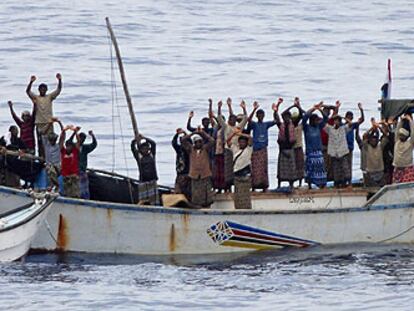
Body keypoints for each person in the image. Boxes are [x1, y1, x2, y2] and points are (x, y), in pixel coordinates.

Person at [26, 73, 62, 156]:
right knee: (40, 143)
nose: (43, 90)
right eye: (41, 89)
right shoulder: (36, 98)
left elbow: (58, 90)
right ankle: (41, 158)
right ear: (39, 90)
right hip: (39, 123)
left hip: (48, 122)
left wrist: (59, 80)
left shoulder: (49, 97)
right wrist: (31, 82)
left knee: (51, 141)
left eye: (44, 89)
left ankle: (51, 157)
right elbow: (28, 91)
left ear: (46, 90)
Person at [247, 99, 278, 191]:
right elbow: (248, 120)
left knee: (264, 169)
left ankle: (264, 187)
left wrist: (275, 110)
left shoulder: (266, 124)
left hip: (263, 150)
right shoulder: (254, 125)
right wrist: (254, 109)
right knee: (255, 169)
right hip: (256, 150)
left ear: (264, 116)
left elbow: (276, 121)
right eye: (259, 115)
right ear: (257, 116)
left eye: (262, 115)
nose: (260, 116)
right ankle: (254, 187)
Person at [217, 98, 248, 191]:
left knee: (237, 168)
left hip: (237, 150)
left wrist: (244, 108)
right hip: (228, 149)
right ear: (229, 120)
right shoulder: (226, 127)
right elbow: (219, 118)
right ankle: (228, 188)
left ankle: (236, 186)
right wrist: (219, 107)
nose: (232, 120)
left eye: (234, 119)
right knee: (227, 169)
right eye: (231, 119)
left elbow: (246, 118)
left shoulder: (238, 127)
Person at [182, 128, 215, 208]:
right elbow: (183, 140)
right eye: (196, 142)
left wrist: (202, 133)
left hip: (205, 174)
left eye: (200, 142)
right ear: (194, 143)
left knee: (207, 193)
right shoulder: (190, 149)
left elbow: (212, 141)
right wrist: (193, 133)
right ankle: (198, 207)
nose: (198, 144)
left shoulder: (205, 149)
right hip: (194, 175)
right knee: (196, 194)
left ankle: (207, 207)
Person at [302, 102, 329, 189]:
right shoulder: (306, 127)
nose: (317, 121)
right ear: (312, 120)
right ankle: (310, 185)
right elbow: (305, 117)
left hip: (318, 151)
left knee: (320, 169)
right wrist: (313, 108)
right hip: (310, 152)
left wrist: (320, 109)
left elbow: (326, 118)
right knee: (310, 169)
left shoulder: (318, 127)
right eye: (316, 120)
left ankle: (321, 184)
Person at [227, 129, 253, 209]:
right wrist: (233, 134)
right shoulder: (236, 149)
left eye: (243, 142)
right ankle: (238, 208)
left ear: (246, 143)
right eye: (240, 142)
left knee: (245, 195)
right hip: (237, 175)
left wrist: (240, 134)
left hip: (245, 175)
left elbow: (251, 138)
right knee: (237, 195)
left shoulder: (248, 149)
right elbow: (228, 141)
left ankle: (247, 209)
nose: (242, 143)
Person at [324, 114, 352, 188]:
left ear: (340, 121)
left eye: (337, 120)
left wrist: (344, 117)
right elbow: (323, 123)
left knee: (345, 168)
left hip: (343, 151)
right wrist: (331, 117)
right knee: (336, 169)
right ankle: (337, 184)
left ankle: (348, 183)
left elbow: (350, 124)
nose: (336, 122)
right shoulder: (330, 129)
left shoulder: (343, 128)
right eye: (335, 120)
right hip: (334, 152)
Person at [274, 101, 297, 189]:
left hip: (290, 149)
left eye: (288, 117)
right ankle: (279, 185)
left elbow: (301, 116)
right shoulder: (280, 125)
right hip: (283, 150)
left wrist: (295, 106)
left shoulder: (293, 125)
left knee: (291, 168)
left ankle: (291, 185)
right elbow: (276, 117)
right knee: (281, 169)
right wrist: (277, 107)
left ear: (290, 117)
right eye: (285, 117)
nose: (286, 118)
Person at [131, 134, 159, 205]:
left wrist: (144, 138)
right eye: (143, 149)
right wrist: (135, 140)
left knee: (154, 202)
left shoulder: (152, 155)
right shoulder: (139, 157)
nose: (145, 150)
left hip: (152, 181)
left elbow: (153, 144)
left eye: (147, 148)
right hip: (143, 181)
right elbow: (132, 147)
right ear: (140, 150)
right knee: (143, 201)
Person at [69, 130, 97, 199]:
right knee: (74, 185)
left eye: (83, 139)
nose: (82, 140)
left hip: (82, 170)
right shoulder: (73, 146)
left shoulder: (85, 148)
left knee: (84, 187)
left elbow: (94, 144)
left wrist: (92, 135)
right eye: (81, 138)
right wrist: (74, 133)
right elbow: (69, 142)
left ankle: (85, 199)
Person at [360, 121, 388, 187]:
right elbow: (364, 136)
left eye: (375, 140)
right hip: (370, 173)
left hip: (380, 172)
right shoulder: (367, 147)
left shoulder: (380, 146)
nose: (374, 141)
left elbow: (386, 136)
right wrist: (372, 128)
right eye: (372, 140)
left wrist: (379, 128)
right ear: (370, 141)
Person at [344, 103, 365, 182]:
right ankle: (344, 181)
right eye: (348, 117)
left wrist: (361, 110)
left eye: (351, 117)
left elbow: (362, 120)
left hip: (350, 147)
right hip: (343, 148)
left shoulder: (353, 125)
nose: (350, 118)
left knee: (349, 165)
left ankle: (349, 181)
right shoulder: (342, 126)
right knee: (344, 165)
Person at [59, 126, 81, 198]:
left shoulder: (75, 151)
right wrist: (63, 131)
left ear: (72, 146)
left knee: (75, 194)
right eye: (67, 146)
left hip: (74, 177)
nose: (68, 148)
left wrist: (76, 132)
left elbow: (78, 141)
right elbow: (61, 141)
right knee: (67, 193)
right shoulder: (63, 151)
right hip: (66, 177)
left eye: (70, 146)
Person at [392, 115, 414, 183]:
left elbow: (413, 133)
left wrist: (410, 120)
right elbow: (397, 131)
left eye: (403, 135)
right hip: (397, 168)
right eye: (400, 135)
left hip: (407, 168)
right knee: (395, 186)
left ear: (406, 136)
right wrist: (401, 121)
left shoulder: (410, 143)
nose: (401, 136)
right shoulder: (397, 141)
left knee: (407, 186)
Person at [44, 118, 64, 189]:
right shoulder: (47, 145)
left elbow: (63, 135)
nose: (52, 141)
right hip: (49, 166)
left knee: (55, 180)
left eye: (54, 140)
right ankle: (51, 188)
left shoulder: (58, 146)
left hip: (57, 166)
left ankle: (55, 188)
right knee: (50, 178)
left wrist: (59, 123)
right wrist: (50, 123)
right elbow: (44, 133)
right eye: (51, 140)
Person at [172, 128, 191, 199]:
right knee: (178, 190)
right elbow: (174, 143)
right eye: (182, 141)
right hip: (180, 173)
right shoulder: (179, 149)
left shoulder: (189, 150)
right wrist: (177, 134)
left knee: (187, 191)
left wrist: (185, 133)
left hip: (187, 173)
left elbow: (190, 141)